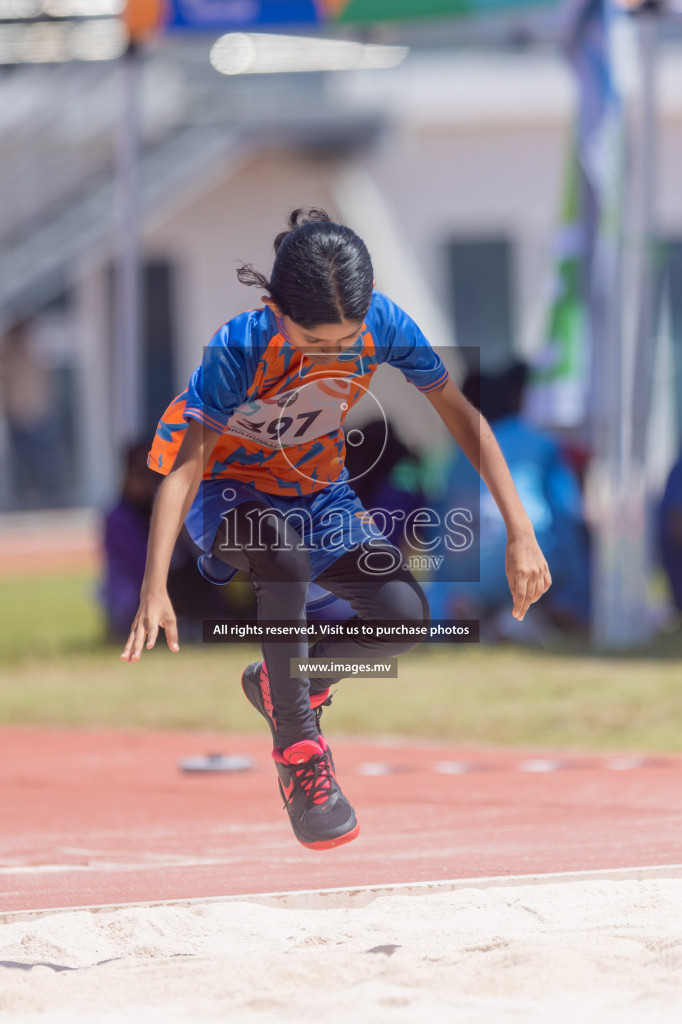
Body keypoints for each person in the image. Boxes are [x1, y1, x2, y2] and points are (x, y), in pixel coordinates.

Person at [121, 209, 551, 851]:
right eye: (313, 344)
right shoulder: (241, 346)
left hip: (318, 492)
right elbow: (183, 470)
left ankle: (284, 680)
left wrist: (521, 530)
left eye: (345, 343)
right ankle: (299, 752)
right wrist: (154, 585)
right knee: (284, 559)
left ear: (368, 308)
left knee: (404, 617)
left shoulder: (386, 324)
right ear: (275, 309)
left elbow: (463, 418)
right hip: (226, 494)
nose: (332, 358)